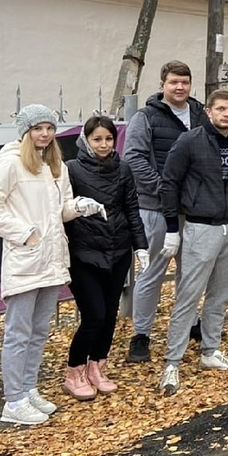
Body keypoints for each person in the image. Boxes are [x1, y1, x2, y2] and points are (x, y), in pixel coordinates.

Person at [0, 105, 103, 425]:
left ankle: (28, 388)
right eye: (37, 128)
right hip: (26, 259)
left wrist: (80, 206)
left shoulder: (54, 165)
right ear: (25, 132)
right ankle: (13, 400)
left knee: (39, 330)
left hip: (52, 259)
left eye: (49, 128)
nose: (44, 134)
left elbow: (59, 210)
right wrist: (24, 234)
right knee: (18, 332)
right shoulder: (12, 163)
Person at [157, 88, 228, 396]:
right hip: (199, 226)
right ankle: (172, 361)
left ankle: (210, 350)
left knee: (221, 293)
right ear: (209, 111)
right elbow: (169, 182)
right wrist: (173, 227)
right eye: (221, 109)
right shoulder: (190, 141)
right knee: (189, 295)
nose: (226, 114)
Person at [123, 60, 211, 363]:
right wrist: (164, 188)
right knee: (151, 274)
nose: (180, 87)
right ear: (163, 84)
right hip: (156, 209)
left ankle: (190, 323)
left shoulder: (201, 115)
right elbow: (133, 158)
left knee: (191, 273)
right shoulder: (145, 117)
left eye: (185, 82)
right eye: (174, 82)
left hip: (193, 210)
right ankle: (141, 335)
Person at [62, 116, 149, 401]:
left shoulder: (123, 169)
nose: (103, 144)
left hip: (118, 251)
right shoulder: (71, 169)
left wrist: (140, 246)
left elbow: (132, 209)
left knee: (110, 314)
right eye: (97, 139)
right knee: (94, 315)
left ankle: (97, 366)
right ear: (86, 140)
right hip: (84, 254)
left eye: (108, 139)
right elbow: (63, 210)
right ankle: (74, 370)